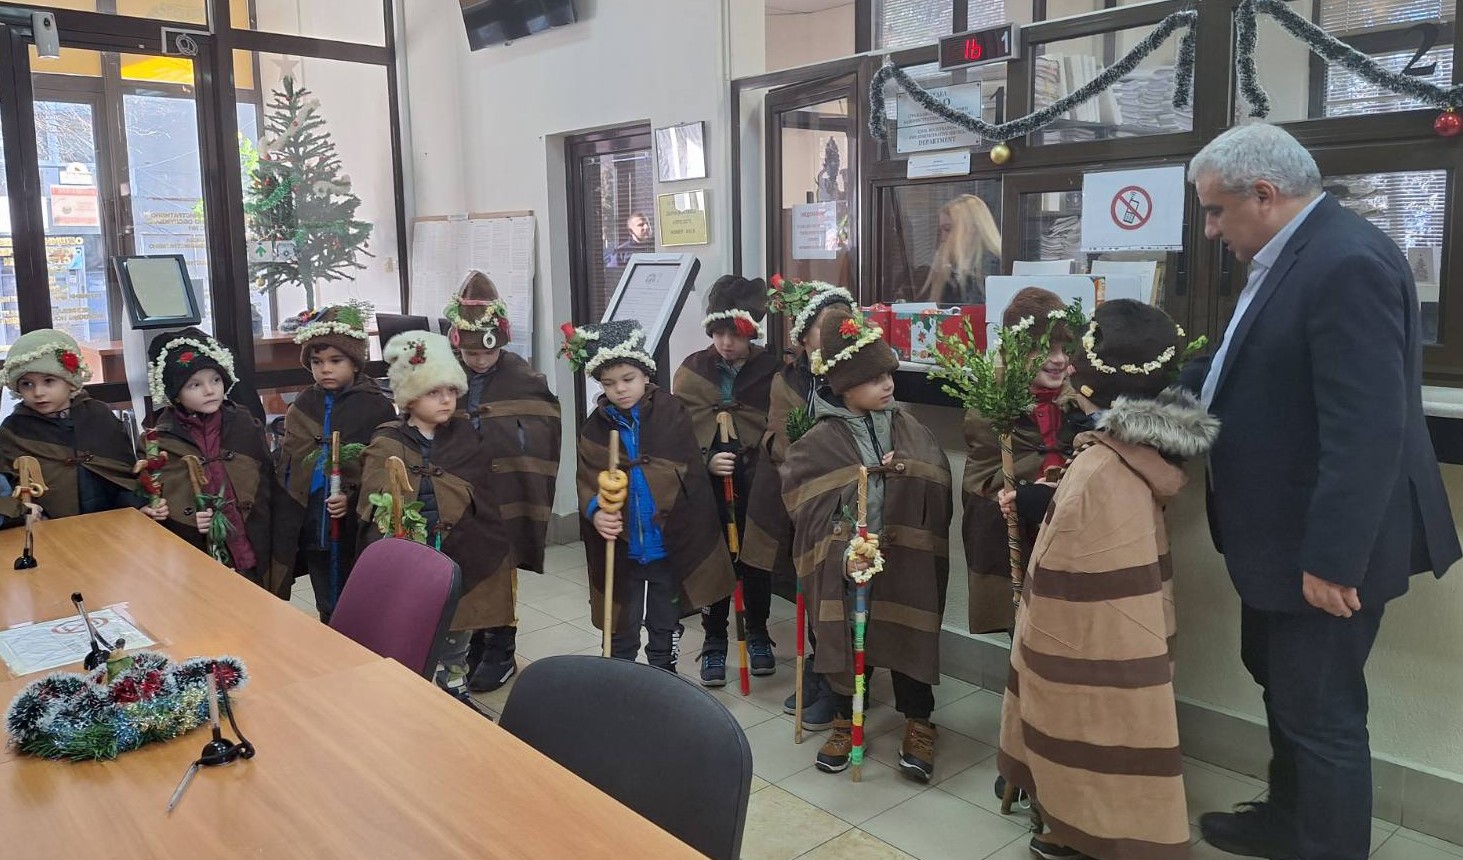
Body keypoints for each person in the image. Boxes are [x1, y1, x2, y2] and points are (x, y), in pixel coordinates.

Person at [1185, 122, 1459, 860]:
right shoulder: (1291, 256)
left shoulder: (1345, 262)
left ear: (1263, 194)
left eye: (1215, 211)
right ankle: (1288, 822)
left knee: (1321, 712)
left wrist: (1334, 560)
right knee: (1282, 687)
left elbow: (1365, 430)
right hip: (1277, 536)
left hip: (1324, 547)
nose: (1210, 230)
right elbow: (1245, 366)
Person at [998, 300, 1219, 860]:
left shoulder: (1100, 467)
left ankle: (1078, 825)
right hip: (1132, 628)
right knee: (1119, 714)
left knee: (1085, 710)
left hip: (1089, 636)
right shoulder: (1136, 453)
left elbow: (1068, 583)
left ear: (1089, 381)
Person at [782, 308, 952, 782]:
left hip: (903, 559)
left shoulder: (909, 427)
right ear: (844, 386)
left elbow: (937, 477)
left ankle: (919, 722)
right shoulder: (819, 439)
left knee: (908, 635)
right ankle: (845, 720)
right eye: (874, 379)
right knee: (843, 638)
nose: (888, 385)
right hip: (848, 565)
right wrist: (843, 546)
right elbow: (803, 503)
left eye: (888, 375)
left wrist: (905, 470)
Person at [564, 319, 735, 671]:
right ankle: (621, 677)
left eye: (628, 379)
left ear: (645, 374)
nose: (620, 390)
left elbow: (688, 470)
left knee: (664, 619)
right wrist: (597, 510)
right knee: (621, 622)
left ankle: (663, 673)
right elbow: (588, 479)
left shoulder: (671, 412)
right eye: (609, 383)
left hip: (665, 545)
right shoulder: (595, 428)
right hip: (622, 548)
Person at [359, 332, 518, 701]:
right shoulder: (388, 442)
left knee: (459, 627)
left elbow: (482, 491)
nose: (446, 399)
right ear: (410, 397)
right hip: (414, 557)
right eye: (433, 392)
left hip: (461, 550)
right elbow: (373, 501)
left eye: (450, 390)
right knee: (414, 627)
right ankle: (411, 694)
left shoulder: (464, 435)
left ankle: (454, 688)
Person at [741, 277, 855, 730]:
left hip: (849, 503)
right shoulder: (786, 381)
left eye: (843, 324)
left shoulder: (860, 376)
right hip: (803, 500)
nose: (834, 335)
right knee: (813, 587)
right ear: (804, 338)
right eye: (823, 328)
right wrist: (804, 453)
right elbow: (777, 436)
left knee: (843, 594)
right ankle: (820, 668)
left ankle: (843, 680)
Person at [446, 270, 561, 694]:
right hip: (461, 492)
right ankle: (475, 640)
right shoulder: (444, 376)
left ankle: (501, 648)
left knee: (502, 567)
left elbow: (544, 430)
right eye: (471, 353)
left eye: (487, 352)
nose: (479, 361)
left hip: (504, 493)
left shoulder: (524, 379)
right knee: (467, 565)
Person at [671, 274, 780, 686]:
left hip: (757, 484)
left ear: (752, 331)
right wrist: (708, 460)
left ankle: (758, 632)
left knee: (756, 560)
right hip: (710, 489)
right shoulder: (692, 370)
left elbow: (779, 424)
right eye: (718, 333)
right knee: (713, 558)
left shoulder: (771, 370)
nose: (726, 343)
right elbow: (678, 431)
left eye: (735, 334)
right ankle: (714, 638)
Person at [962, 287, 1091, 635]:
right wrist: (1025, 490)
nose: (1058, 359)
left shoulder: (1080, 405)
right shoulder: (992, 408)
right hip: (1018, 541)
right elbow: (982, 478)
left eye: (1064, 348)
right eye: (1045, 348)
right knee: (1023, 631)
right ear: (1016, 350)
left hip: (1068, 539)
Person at [273, 305, 396, 613]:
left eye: (335, 361)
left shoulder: (375, 406)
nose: (325, 369)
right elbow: (292, 461)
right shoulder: (304, 404)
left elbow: (381, 467)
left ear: (354, 362)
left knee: (358, 597)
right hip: (315, 520)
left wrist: (352, 497)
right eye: (317, 362)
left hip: (355, 524)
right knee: (326, 596)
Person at [145, 328, 275, 587]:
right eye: (195, 384)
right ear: (175, 393)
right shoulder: (159, 439)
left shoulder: (244, 424)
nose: (209, 390)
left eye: (215, 380)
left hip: (249, 549)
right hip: (198, 559)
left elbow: (267, 482)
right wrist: (188, 516)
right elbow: (158, 497)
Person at [0, 329, 143, 520]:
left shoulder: (98, 415)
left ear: (70, 381)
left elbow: (123, 474)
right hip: (50, 527)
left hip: (111, 521)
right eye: (27, 384)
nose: (38, 392)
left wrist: (139, 506)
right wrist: (22, 512)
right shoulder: (14, 430)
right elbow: (8, 489)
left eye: (49, 381)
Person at [916, 194, 1002, 304]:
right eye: (940, 231)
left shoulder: (993, 268)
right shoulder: (950, 269)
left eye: (948, 229)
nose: (942, 238)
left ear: (971, 230)